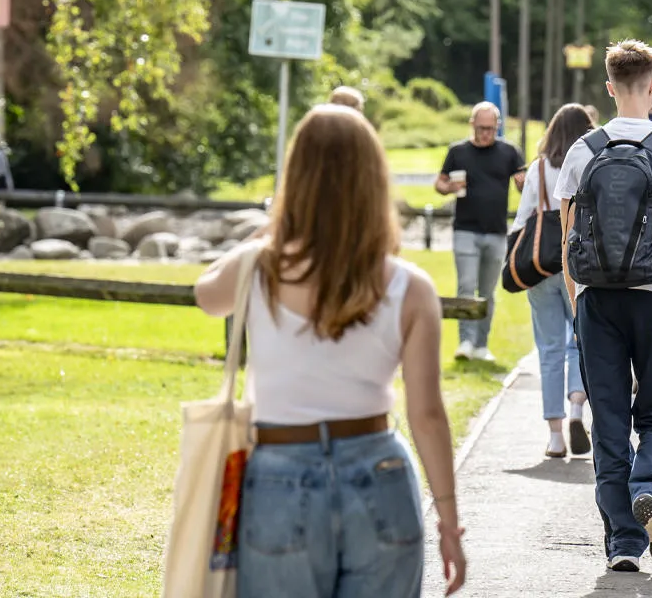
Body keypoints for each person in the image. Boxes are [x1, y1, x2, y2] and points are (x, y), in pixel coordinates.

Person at [194, 105, 466, 597]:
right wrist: (449, 520)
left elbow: (205, 293)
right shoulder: (410, 287)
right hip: (379, 471)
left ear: (295, 179)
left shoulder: (257, 268)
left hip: (280, 474)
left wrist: (270, 231)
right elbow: (427, 414)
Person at [555, 39, 652, 573]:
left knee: (610, 420)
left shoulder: (582, 150)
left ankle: (623, 541)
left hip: (598, 301)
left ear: (609, 88)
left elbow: (567, 243)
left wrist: (579, 309)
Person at [510, 103, 595, 458]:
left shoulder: (539, 168)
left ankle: (556, 435)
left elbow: (522, 218)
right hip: (580, 263)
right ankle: (577, 407)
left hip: (542, 263)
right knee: (580, 341)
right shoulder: (592, 162)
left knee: (548, 349)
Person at [435, 102, 526, 362]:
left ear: (497, 126)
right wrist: (449, 187)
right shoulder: (458, 151)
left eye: (490, 128)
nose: (485, 133)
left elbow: (523, 183)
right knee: (465, 287)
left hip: (496, 231)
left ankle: (482, 345)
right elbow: (439, 183)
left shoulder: (509, 152)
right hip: (465, 228)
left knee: (487, 292)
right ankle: (465, 342)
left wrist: (522, 182)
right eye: (480, 128)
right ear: (472, 125)